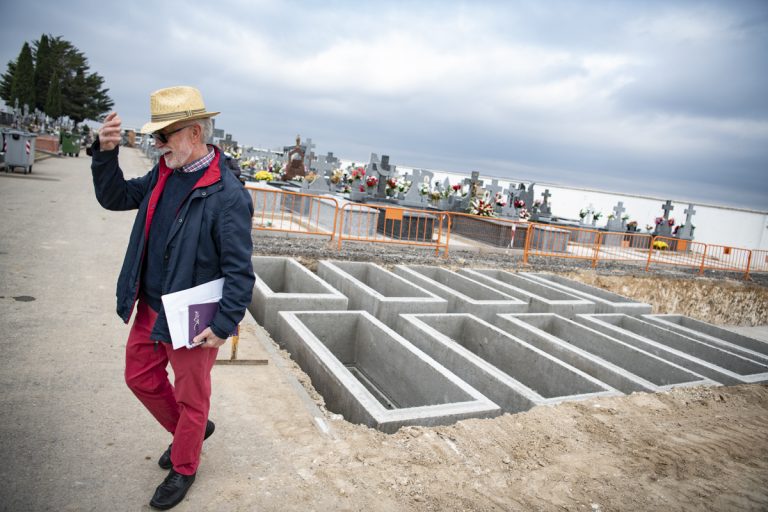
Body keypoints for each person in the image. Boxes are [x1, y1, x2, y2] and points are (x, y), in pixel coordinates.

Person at [91, 86, 255, 510]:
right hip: (150, 305)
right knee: (139, 377)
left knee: (192, 396)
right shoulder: (162, 173)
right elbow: (115, 197)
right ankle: (193, 431)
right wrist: (104, 154)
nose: (157, 145)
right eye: (155, 137)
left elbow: (240, 271)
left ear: (194, 133)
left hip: (194, 316)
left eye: (165, 136)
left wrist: (223, 325)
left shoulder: (229, 195)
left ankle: (184, 465)